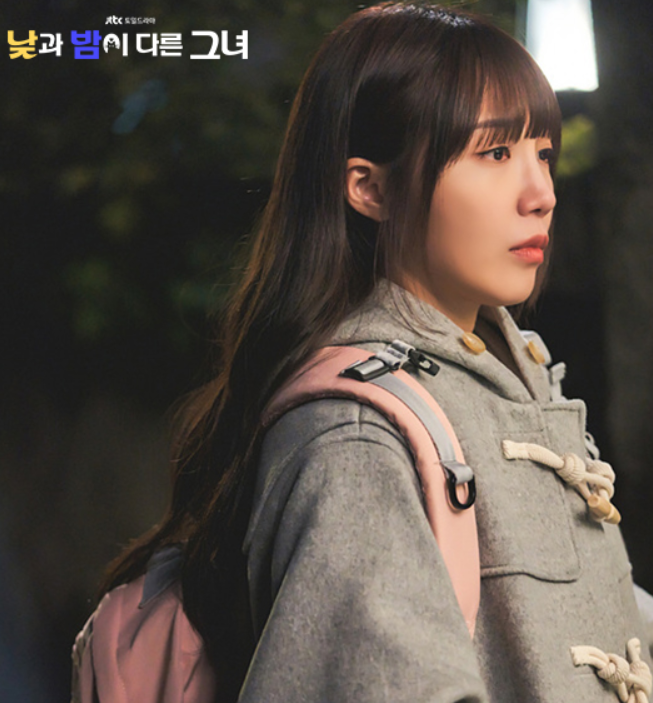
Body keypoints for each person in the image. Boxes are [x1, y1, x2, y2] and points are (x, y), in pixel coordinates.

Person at [94, 2, 653, 701]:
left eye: (542, 152)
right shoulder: (358, 431)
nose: (540, 193)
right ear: (370, 188)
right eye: (494, 153)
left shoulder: (512, 378)